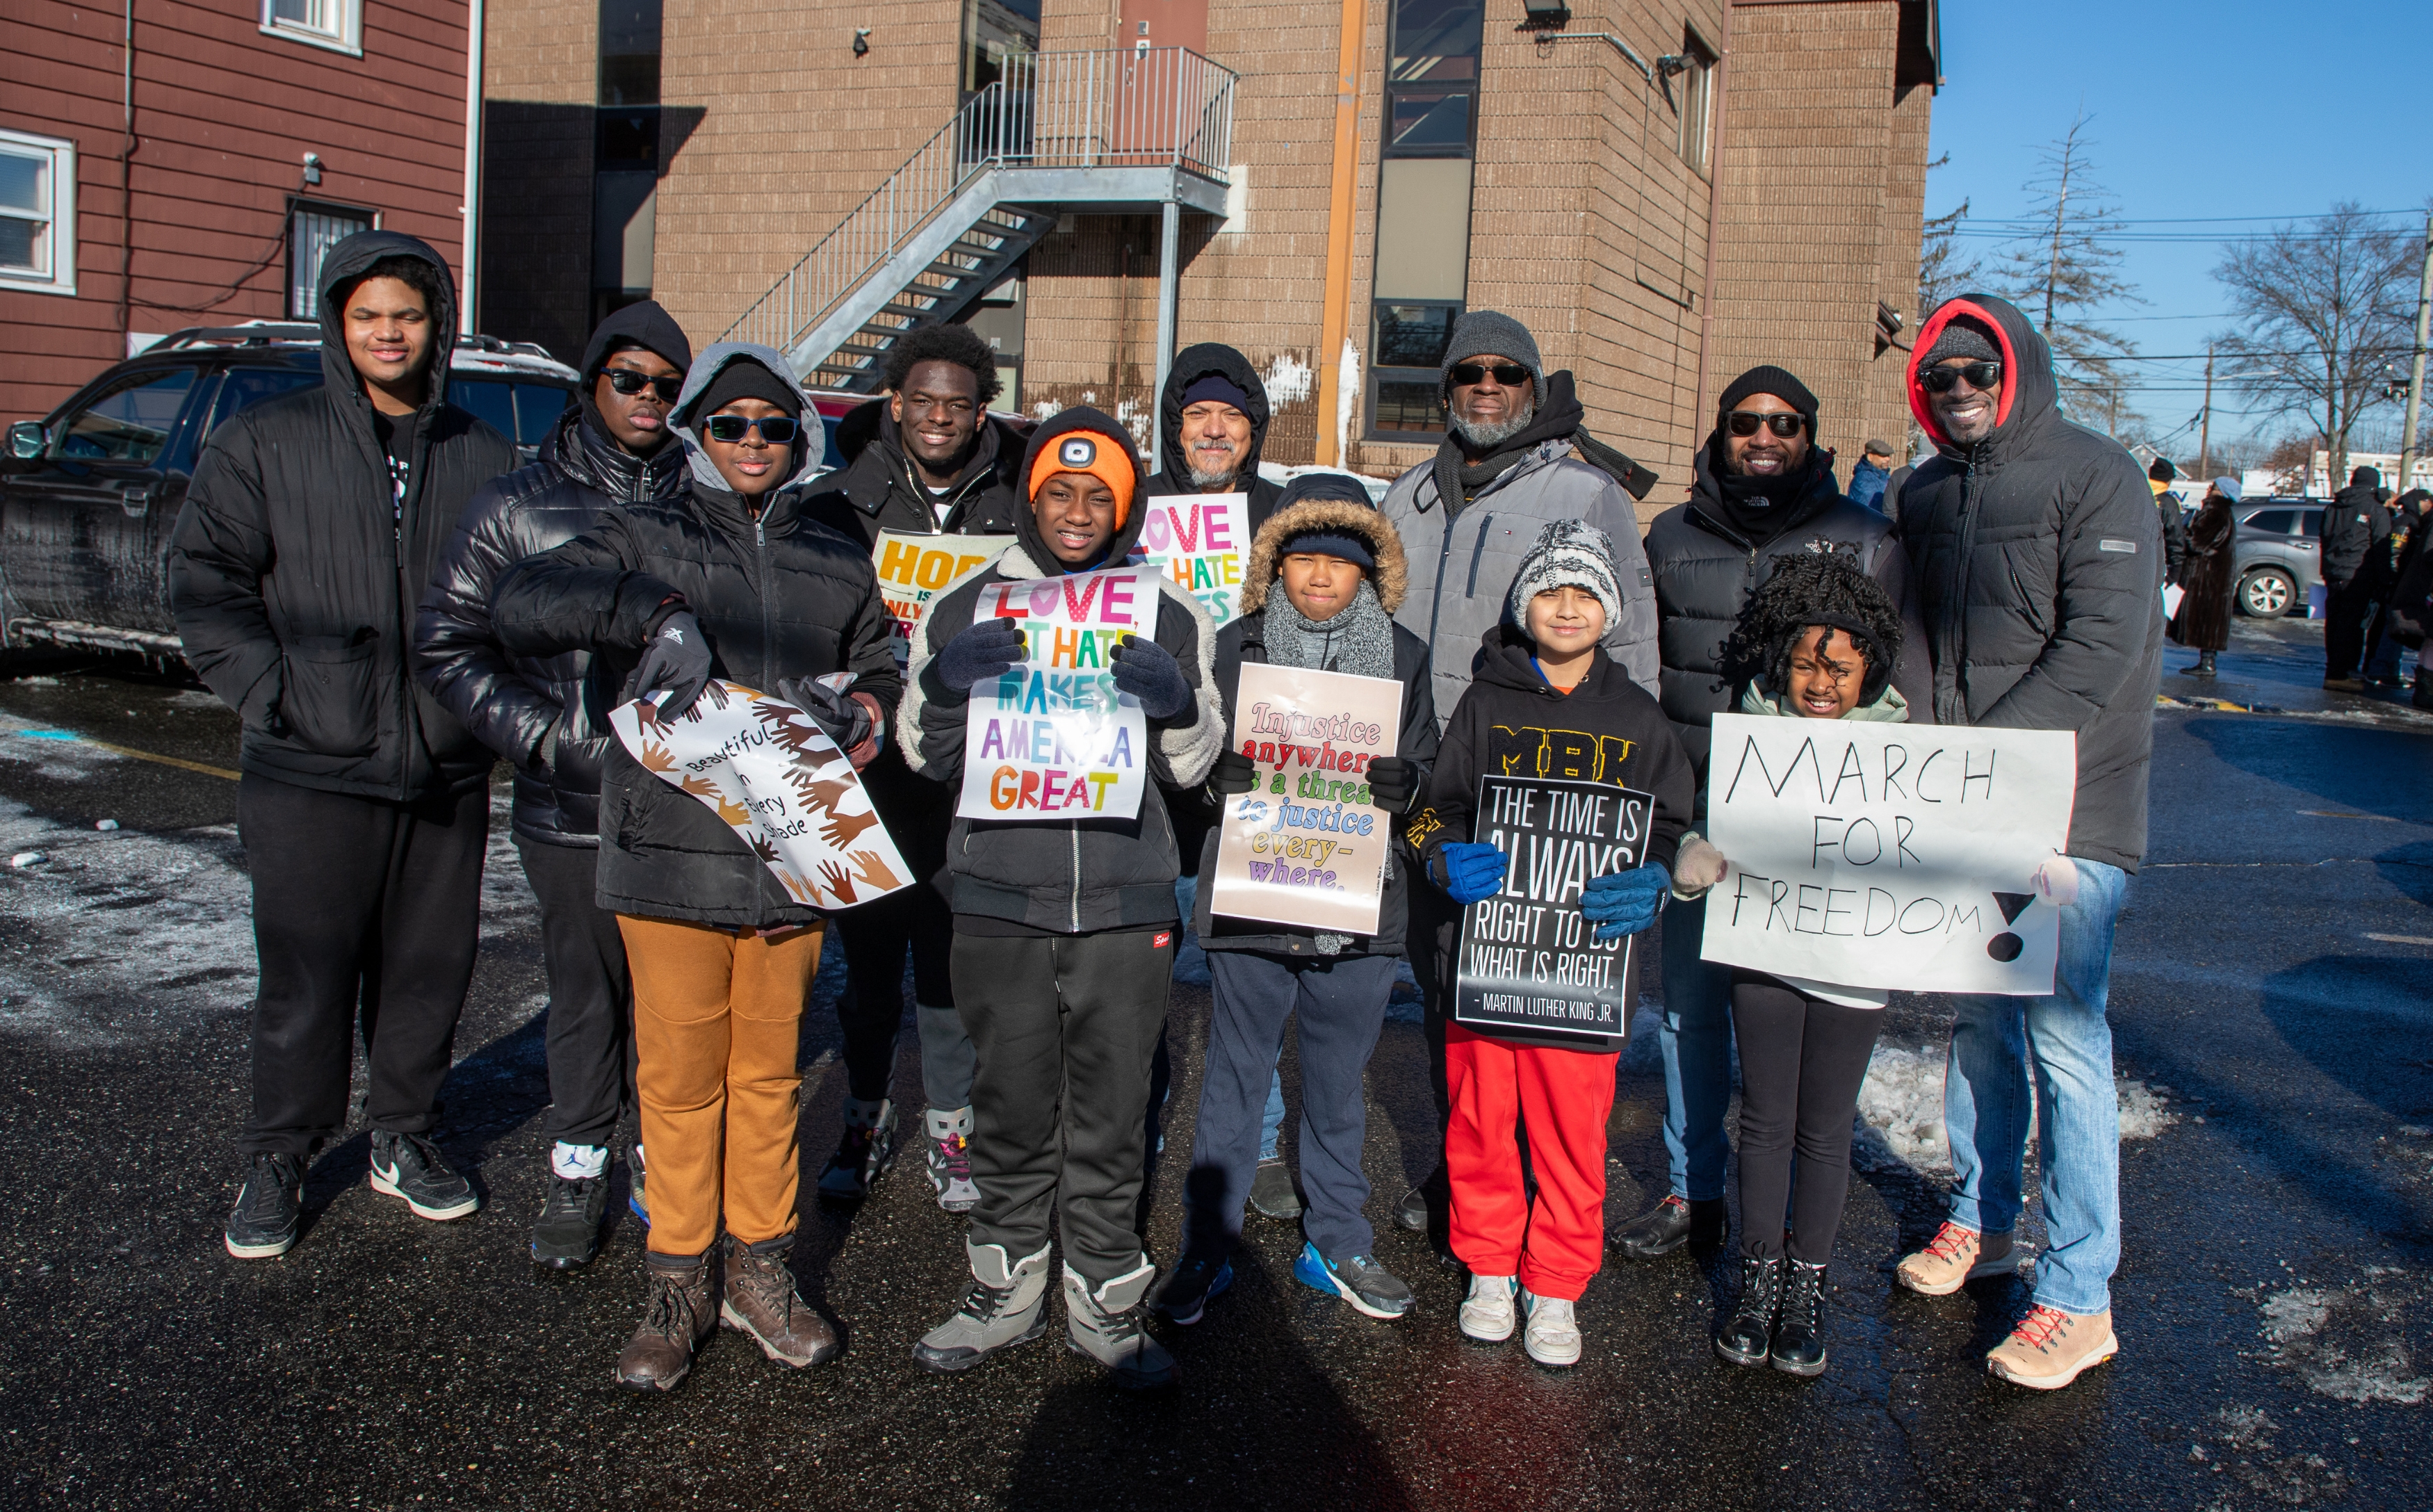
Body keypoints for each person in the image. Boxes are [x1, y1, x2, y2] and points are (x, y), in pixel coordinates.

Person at [488, 343, 900, 1391]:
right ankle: (677, 1278)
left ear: (798, 439)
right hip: (670, 854)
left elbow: (884, 656)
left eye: (772, 426)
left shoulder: (836, 553)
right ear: (699, 436)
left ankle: (760, 1268)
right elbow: (524, 599)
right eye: (729, 424)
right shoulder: (642, 531)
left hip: (790, 859)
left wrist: (862, 709)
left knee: (766, 1080)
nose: (752, 442)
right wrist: (648, 613)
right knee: (675, 1085)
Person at [171, 231, 517, 1262]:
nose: (387, 333)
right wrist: (272, 693)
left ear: (434, 326)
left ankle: (403, 1134)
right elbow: (206, 581)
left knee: (427, 968)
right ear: (338, 323)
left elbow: (521, 600)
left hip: (443, 766)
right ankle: (281, 1150)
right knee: (307, 970)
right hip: (308, 763)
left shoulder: (482, 455)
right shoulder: (266, 439)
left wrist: (485, 713)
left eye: (405, 316)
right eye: (366, 315)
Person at [902, 408, 1223, 1389]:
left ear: (1123, 509)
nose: (1078, 512)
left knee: (1114, 1109)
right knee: (1008, 1099)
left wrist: (1174, 700)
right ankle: (1003, 1283)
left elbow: (1197, 762)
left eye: (1100, 497)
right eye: (1059, 492)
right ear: (1031, 496)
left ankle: (1106, 1293)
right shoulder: (966, 602)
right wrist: (951, 686)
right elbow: (922, 753)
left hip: (1125, 901)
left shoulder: (1167, 608)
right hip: (998, 895)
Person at [1894, 294, 2160, 1392]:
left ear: (2018, 368)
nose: (1962, 392)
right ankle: (1984, 1214)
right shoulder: (1921, 492)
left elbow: (2099, 645)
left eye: (1979, 372)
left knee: (2061, 1037)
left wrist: (1982, 764)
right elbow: (1909, 640)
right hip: (1967, 804)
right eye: (1942, 377)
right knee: (1983, 1023)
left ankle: (2081, 1291)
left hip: (2070, 809)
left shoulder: (2099, 476)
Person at [1614, 364, 1926, 1262]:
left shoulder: (1863, 536)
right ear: (1720, 432)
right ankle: (1693, 1185)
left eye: (1785, 423)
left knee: (1796, 1024)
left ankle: (1789, 1207)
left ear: (1810, 437)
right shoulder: (1669, 535)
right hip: (1699, 810)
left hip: (1817, 825)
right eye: (1747, 420)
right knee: (1691, 1015)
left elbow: (1896, 683)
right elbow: (1642, 662)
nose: (1764, 436)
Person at [414, 300, 692, 1268]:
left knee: (671, 999)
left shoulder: (701, 499)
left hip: (683, 808)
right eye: (630, 378)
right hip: (569, 797)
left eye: (666, 384)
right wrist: (550, 739)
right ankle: (579, 1161)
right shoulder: (513, 503)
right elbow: (449, 644)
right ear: (592, 382)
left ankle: (663, 1155)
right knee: (585, 992)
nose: (649, 397)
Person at [1377, 309, 1661, 1233]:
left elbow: (1637, 659)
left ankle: (1549, 1187)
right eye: (1469, 373)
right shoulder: (1405, 498)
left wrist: (1627, 813)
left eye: (1507, 372)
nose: (1487, 386)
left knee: (1544, 1006)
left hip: (1548, 795)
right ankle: (1472, 1179)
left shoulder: (1586, 495)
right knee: (1447, 987)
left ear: (1533, 388)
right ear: (1447, 388)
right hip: (1431, 789)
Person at [1153, 476, 1438, 1327]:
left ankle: (1338, 1238)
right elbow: (1183, 766)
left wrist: (1408, 784)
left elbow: (1429, 777)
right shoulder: (1233, 648)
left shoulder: (1405, 654)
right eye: (1303, 560)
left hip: (1359, 904)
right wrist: (1216, 780)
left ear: (1369, 573)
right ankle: (1210, 1241)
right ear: (1275, 564)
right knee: (1234, 1080)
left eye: (1339, 564)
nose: (1319, 578)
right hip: (1255, 896)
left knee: (1336, 1083)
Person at [1406, 519, 1693, 1367]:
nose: (1564, 609)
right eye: (1547, 591)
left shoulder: (1639, 718)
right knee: (1480, 1125)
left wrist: (1658, 877)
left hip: (1585, 973)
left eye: (1583, 595)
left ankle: (1558, 1282)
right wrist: (1435, 852)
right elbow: (1431, 805)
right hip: (1486, 964)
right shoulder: (1484, 703)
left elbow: (1676, 828)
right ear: (1521, 604)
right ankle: (1490, 1269)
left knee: (1572, 1136)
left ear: (1608, 613)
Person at [804, 324, 1030, 1211]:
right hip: (862, 772)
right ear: (893, 403)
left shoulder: (1016, 503)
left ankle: (950, 1126)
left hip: (967, 769)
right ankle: (861, 1118)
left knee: (948, 964)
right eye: (922, 400)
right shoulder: (833, 505)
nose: (939, 418)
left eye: (959, 403)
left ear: (984, 412)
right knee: (865, 970)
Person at [1672, 551, 1912, 1378]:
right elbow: (1707, 820)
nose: (1820, 683)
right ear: (1781, 663)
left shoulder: (1904, 748)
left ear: (1867, 671)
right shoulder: (1750, 733)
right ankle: (1756, 1276)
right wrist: (1695, 853)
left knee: (1824, 1126)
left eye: (1839, 669)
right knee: (1767, 1120)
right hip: (1765, 951)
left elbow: (1942, 841)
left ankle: (1808, 1283)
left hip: (1853, 959)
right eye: (1805, 664)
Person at [1146, 342, 1284, 530]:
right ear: (1174, 425)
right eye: (1197, 414)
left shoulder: (1283, 513)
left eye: (1232, 415)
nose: (1215, 430)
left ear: (1253, 429)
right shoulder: (1134, 508)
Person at [2321, 465, 2391, 692]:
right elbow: (2382, 548)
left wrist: (2327, 568)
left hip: (2333, 572)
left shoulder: (2333, 507)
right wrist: (2385, 580)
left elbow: (2324, 538)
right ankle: (2342, 673)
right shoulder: (2375, 509)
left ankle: (2334, 670)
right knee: (2352, 626)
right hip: (2359, 575)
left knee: (2334, 623)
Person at [2169, 477, 2240, 679]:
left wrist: (2181, 530)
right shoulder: (2224, 512)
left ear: (2221, 492)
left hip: (2206, 576)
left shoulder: (2215, 511)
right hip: (2215, 575)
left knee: (2206, 617)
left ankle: (2208, 663)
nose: (2209, 489)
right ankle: (2207, 661)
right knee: (2211, 619)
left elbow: (2196, 542)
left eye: (2214, 487)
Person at [2361, 487, 2426, 689]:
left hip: (2398, 584)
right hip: (2397, 585)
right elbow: (2394, 554)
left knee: (2396, 627)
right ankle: (2381, 670)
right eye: (2426, 501)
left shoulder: (2410, 521)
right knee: (2394, 627)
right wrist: (2394, 579)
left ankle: (2389, 669)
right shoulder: (2406, 523)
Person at [2148, 457, 2190, 588]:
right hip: (2154, 564)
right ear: (2168, 480)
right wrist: (2176, 569)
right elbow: (2175, 536)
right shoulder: (2168, 503)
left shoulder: (2135, 493)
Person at [1848, 438, 1896, 510]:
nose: (1888, 459)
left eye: (1888, 455)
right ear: (1870, 457)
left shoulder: (1886, 477)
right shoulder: (1862, 479)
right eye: (1883, 456)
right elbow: (1873, 508)